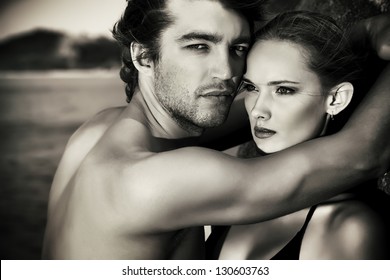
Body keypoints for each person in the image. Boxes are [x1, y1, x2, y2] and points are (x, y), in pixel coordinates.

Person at [41, 0, 390, 260]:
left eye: (238, 49)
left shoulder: (97, 131)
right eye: (199, 46)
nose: (227, 71)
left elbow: (273, 106)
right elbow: (363, 156)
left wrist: (339, 50)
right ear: (144, 56)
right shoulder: (153, 179)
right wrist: (370, 32)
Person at [207, 11, 390, 260]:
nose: (258, 110)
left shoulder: (348, 227)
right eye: (251, 88)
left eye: (283, 90)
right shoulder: (236, 199)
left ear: (336, 99)